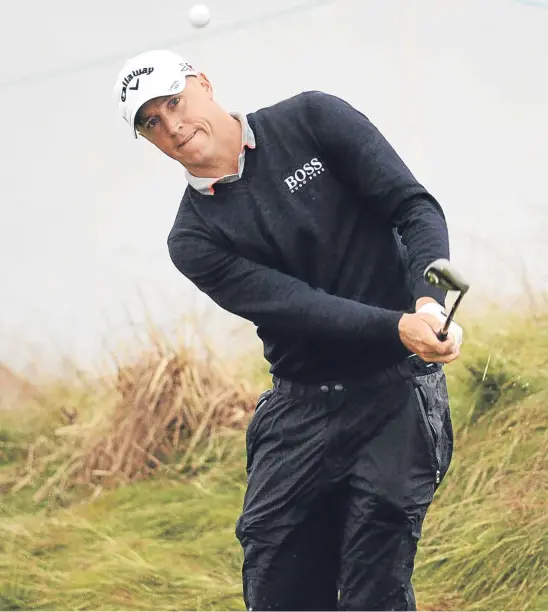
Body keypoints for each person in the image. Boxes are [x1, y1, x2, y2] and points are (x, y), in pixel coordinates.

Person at [114, 49, 463, 611]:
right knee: (277, 578)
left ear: (203, 82)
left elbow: (414, 207)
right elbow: (300, 307)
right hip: (301, 410)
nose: (173, 127)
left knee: (375, 580)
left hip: (395, 392)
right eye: (151, 122)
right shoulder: (193, 239)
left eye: (174, 102)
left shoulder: (313, 120)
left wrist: (429, 301)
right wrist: (399, 325)